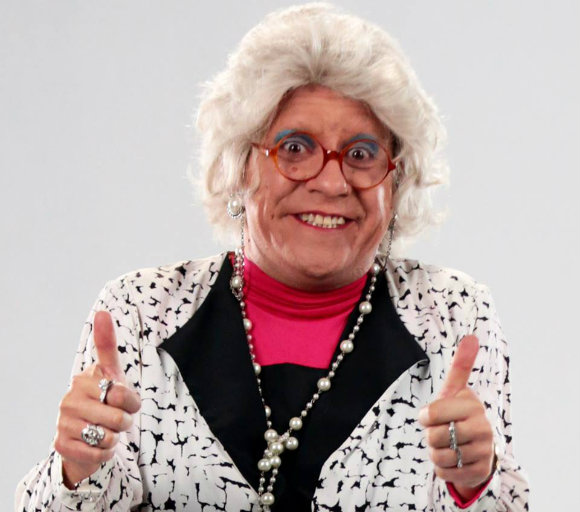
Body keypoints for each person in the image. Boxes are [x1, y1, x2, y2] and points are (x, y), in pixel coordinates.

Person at [15, 3, 529, 511]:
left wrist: (475, 484)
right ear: (240, 165)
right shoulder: (140, 312)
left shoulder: (453, 317)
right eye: (296, 148)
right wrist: (77, 470)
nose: (332, 183)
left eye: (361, 154)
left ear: (395, 181)